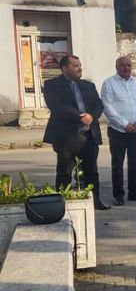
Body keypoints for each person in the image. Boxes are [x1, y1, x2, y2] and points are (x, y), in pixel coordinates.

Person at [43, 54, 110, 210]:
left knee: (91, 171)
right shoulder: (52, 85)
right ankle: (63, 204)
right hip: (67, 137)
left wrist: (91, 116)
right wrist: (80, 116)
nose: (79, 69)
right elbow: (56, 106)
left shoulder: (88, 85)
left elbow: (98, 105)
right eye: (75, 66)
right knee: (65, 172)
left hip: (89, 136)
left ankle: (95, 201)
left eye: (80, 66)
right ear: (64, 68)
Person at [101, 56, 136, 205]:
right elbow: (107, 107)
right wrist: (124, 124)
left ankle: (134, 192)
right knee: (117, 164)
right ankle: (118, 195)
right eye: (122, 65)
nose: (126, 68)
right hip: (118, 130)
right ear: (116, 66)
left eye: (128, 65)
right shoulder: (109, 83)